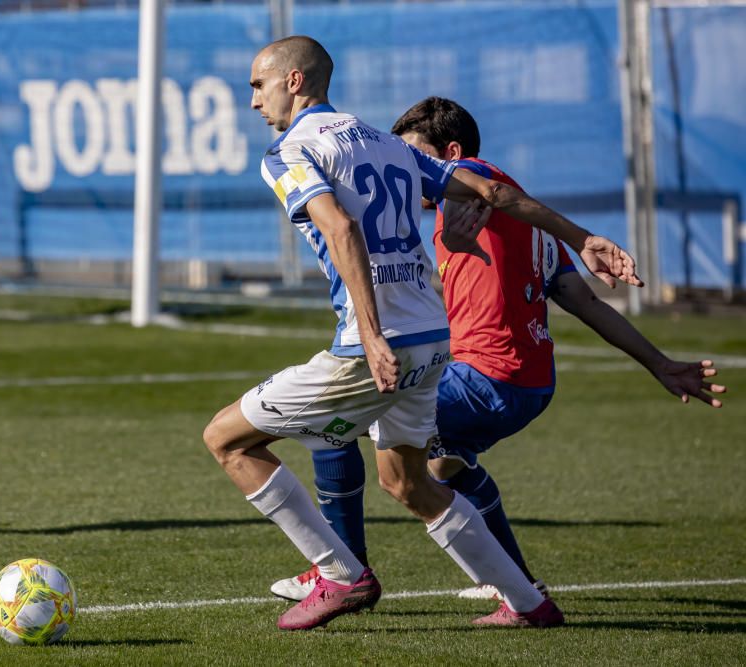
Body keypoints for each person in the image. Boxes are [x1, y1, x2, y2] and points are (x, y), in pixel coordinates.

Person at [204, 36, 640, 631]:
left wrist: (372, 333)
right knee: (404, 479)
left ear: (295, 81)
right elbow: (495, 192)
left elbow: (339, 230)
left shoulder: (288, 152)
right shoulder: (386, 143)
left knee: (228, 439)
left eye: (259, 84)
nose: (254, 99)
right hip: (436, 341)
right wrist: (582, 237)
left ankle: (340, 573)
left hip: (372, 347)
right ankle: (530, 603)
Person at [269, 96, 726, 617]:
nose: (402, 166)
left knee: (334, 426)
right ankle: (517, 589)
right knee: (443, 464)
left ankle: (341, 572)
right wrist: (660, 363)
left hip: (482, 375)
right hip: (529, 384)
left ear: (453, 152)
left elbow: (487, 205)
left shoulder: (466, 183)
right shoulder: (523, 217)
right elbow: (584, 302)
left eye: (414, 153)